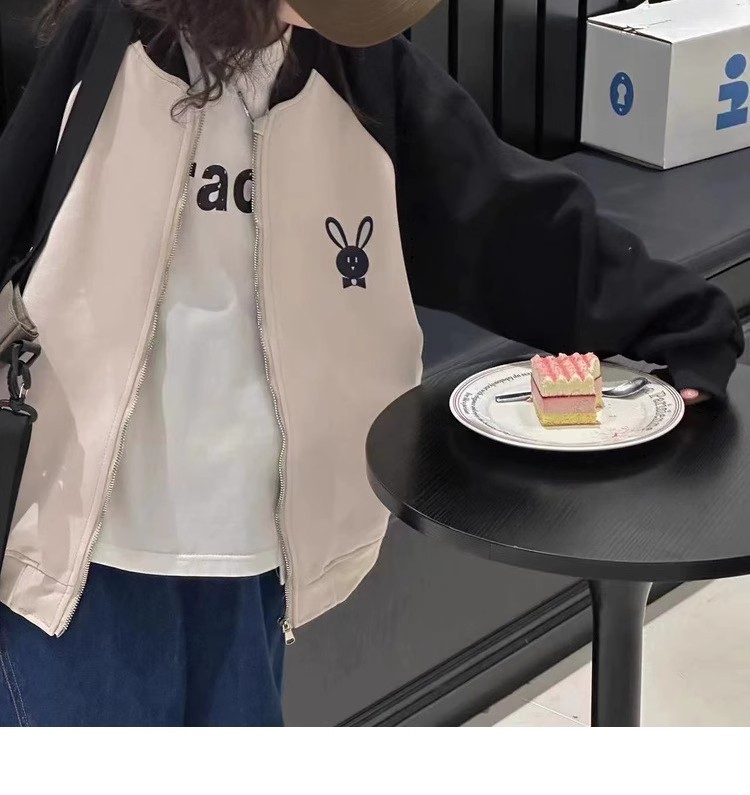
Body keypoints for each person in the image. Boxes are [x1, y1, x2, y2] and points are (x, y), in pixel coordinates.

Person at [0, 0, 742, 727]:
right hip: (74, 551)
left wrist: (680, 318)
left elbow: (505, 221)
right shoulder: (105, 37)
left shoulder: (358, 71)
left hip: (251, 545)